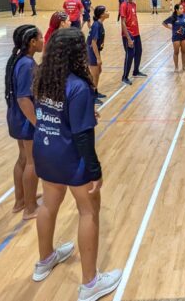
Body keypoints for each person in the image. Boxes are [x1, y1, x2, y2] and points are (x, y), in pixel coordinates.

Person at [31, 28, 122, 299]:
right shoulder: (79, 86)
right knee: (88, 211)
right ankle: (90, 283)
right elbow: (82, 136)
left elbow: (53, 112)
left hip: (44, 150)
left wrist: (82, 112)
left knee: (48, 205)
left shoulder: (43, 77)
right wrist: (94, 170)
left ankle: (44, 260)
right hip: (70, 156)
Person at [5, 25, 43, 221]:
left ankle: (20, 200)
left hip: (15, 117)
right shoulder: (26, 64)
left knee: (22, 158)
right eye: (40, 37)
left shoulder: (19, 60)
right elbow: (23, 98)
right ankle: (30, 208)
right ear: (32, 42)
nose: (43, 40)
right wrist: (37, 123)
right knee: (31, 161)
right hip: (25, 119)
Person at [120, 0, 146, 86]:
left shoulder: (134, 5)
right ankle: (125, 77)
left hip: (136, 33)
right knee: (129, 55)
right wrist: (128, 38)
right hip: (128, 34)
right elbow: (123, 22)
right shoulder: (124, 5)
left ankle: (136, 71)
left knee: (139, 52)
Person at [87, 6, 109, 101]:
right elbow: (93, 42)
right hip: (91, 51)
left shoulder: (99, 24)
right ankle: (92, 96)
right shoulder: (96, 25)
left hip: (95, 51)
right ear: (101, 14)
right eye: (106, 11)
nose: (108, 12)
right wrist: (98, 58)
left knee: (98, 71)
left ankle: (95, 91)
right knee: (95, 74)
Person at [162, 3, 185, 71]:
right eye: (181, 8)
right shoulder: (173, 17)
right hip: (176, 38)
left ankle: (184, 67)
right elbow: (164, 23)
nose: (183, 9)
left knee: (184, 52)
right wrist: (170, 28)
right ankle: (176, 67)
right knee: (176, 52)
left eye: (183, 8)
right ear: (176, 10)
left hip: (184, 37)